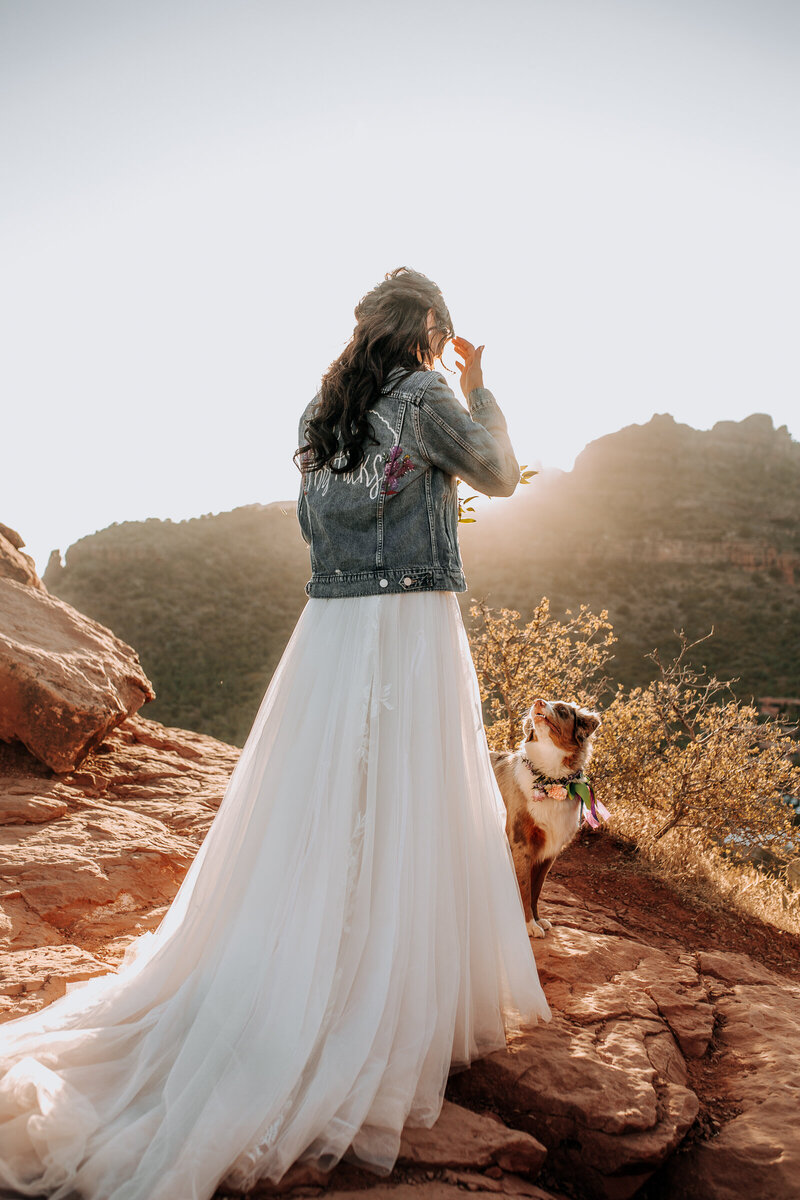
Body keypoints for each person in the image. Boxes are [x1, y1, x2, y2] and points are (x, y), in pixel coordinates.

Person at [0, 266, 551, 1200]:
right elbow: (496, 476)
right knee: (409, 790)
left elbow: (313, 521)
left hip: (331, 625)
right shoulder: (426, 393)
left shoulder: (320, 410)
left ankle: (302, 961)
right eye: (439, 334)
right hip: (410, 619)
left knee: (324, 792)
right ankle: (381, 984)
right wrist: (480, 381)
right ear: (429, 330)